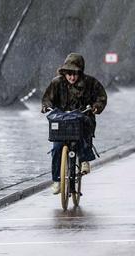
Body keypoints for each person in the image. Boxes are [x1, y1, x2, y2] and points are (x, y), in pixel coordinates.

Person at [41, 53, 107, 194]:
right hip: (62, 119)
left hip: (82, 116)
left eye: (75, 74)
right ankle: (57, 180)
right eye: (69, 74)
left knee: (83, 133)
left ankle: (84, 160)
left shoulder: (90, 83)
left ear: (80, 72)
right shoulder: (56, 83)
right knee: (57, 148)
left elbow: (101, 97)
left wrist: (96, 107)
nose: (72, 77)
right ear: (64, 73)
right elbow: (47, 98)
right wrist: (46, 105)